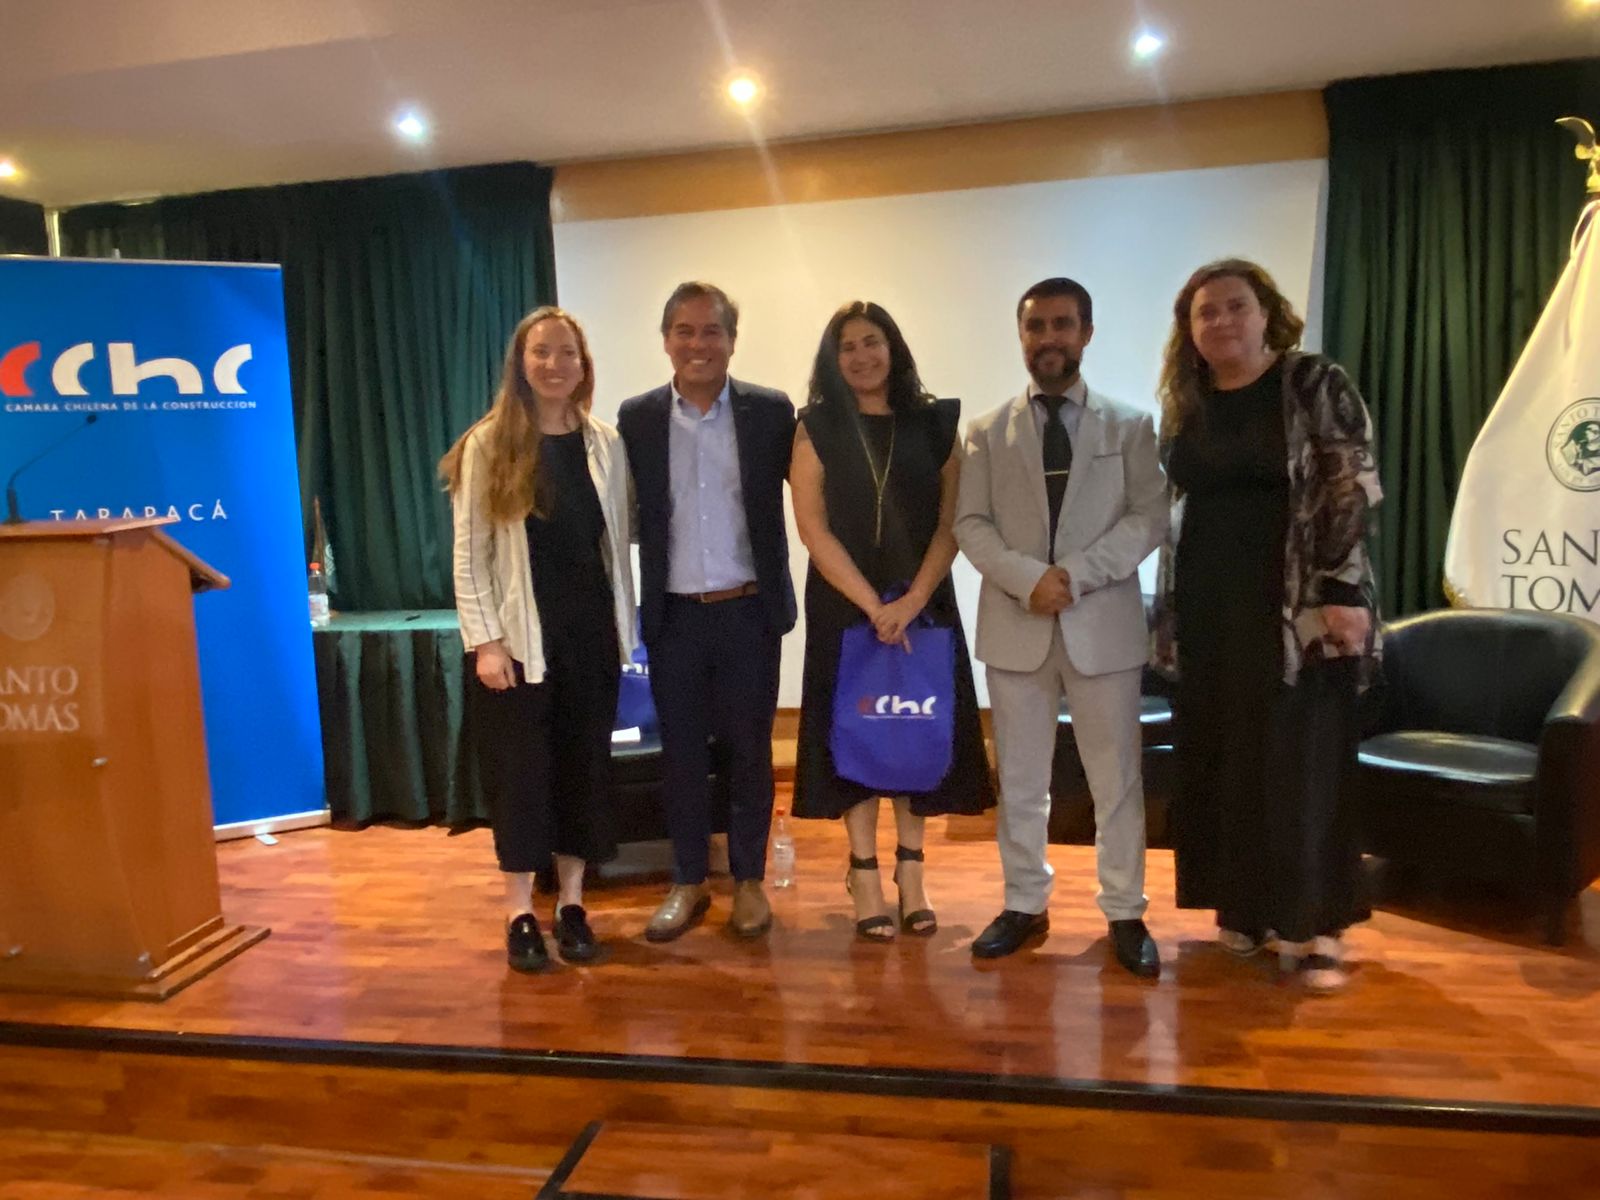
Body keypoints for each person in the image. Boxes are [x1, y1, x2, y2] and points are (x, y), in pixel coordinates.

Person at [1153, 258, 1381, 993]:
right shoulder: (1188, 400)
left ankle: (1313, 926)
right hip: (1210, 608)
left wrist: (1342, 589)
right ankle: (1246, 910)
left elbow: (1349, 484)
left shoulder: (1312, 382)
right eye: (1205, 311)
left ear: (1266, 313)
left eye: (1235, 305)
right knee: (1228, 762)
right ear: (1189, 330)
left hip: (1298, 609)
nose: (1221, 320)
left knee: (1300, 765)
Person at [954, 277, 1167, 976]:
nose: (1048, 338)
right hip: (1016, 625)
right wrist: (1028, 579)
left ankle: (1126, 910)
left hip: (1101, 625)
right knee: (1020, 780)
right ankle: (1024, 903)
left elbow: (1148, 517)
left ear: (1086, 333)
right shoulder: (985, 433)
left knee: (1117, 780)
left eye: (1062, 324)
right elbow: (970, 523)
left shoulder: (1130, 426)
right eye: (1036, 326)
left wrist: (1074, 575)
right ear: (1021, 336)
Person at [788, 301, 996, 941]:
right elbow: (812, 527)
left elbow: (952, 522)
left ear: (893, 347)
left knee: (915, 732)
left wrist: (911, 601)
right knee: (857, 734)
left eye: (871, 341)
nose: (861, 356)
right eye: (847, 346)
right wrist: (872, 605)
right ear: (833, 359)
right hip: (844, 605)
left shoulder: (936, 423)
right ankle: (864, 874)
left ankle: (912, 872)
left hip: (922, 602)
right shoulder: (814, 427)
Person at [442, 305, 637, 972]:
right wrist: (486, 643)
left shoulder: (605, 443)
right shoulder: (488, 444)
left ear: (584, 366)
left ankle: (573, 905)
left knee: (584, 773)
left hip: (591, 637)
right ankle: (520, 911)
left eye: (567, 353)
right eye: (542, 352)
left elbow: (618, 538)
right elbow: (469, 555)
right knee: (522, 780)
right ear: (520, 364)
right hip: (519, 647)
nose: (555, 364)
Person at [617, 282, 796, 942]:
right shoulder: (637, 418)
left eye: (712, 331)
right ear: (666, 340)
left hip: (749, 612)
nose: (699, 344)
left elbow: (811, 494)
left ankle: (748, 881)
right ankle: (688, 879)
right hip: (675, 618)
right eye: (685, 331)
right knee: (682, 755)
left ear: (732, 340)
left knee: (750, 752)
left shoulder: (770, 411)